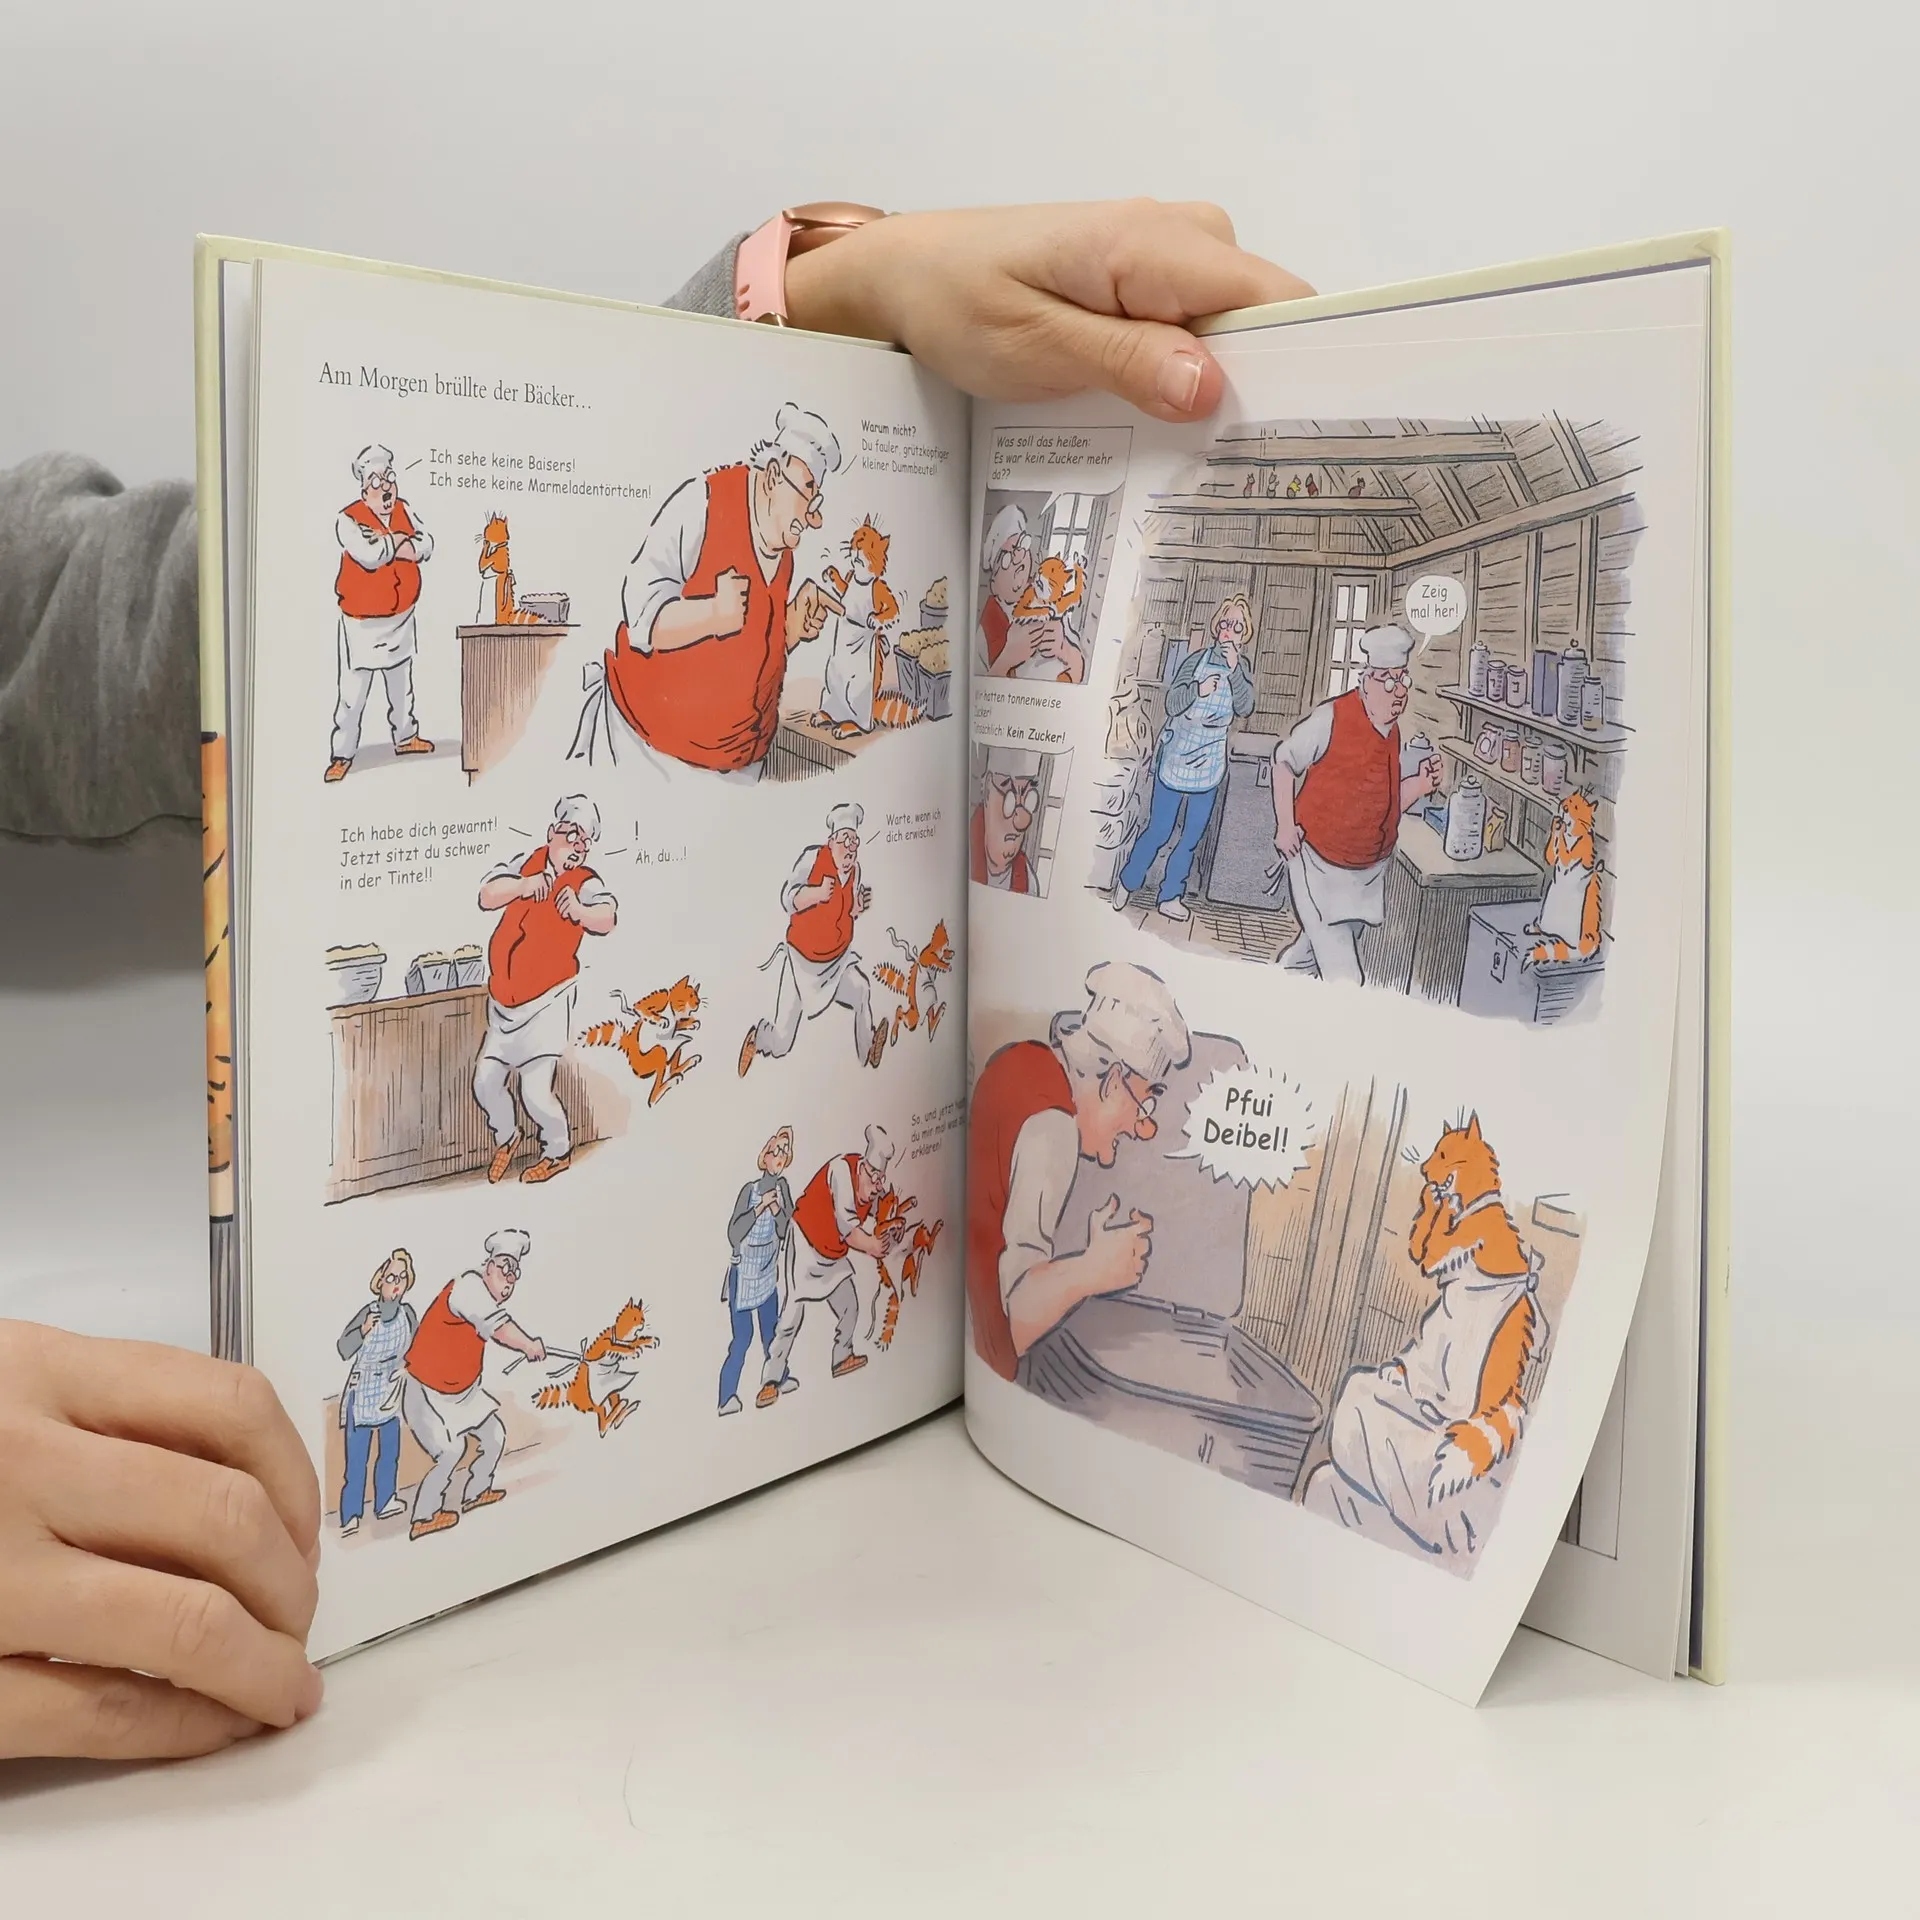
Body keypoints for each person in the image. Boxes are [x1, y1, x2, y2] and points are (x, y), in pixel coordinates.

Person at [1, 198, 1310, 1759]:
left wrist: (802, 303)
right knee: (601, 1131)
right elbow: (636, 634)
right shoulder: (696, 579)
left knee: (680, 1076)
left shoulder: (771, 627)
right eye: (1130, 1090)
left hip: (694, 915)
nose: (1132, 1114)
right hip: (646, 880)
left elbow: (80, 617)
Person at [570, 403, 844, 780]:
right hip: (651, 756)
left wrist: (789, 629)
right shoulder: (701, 503)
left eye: (817, 502)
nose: (815, 518)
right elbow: (641, 621)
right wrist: (712, 613)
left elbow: (746, 655)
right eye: (807, 494)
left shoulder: (784, 552)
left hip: (739, 765)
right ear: (773, 477)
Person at [966, 962, 1188, 1381]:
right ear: (1113, 1082)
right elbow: (1012, 1320)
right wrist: (1092, 1270)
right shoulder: (1054, 1127)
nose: (1142, 1128)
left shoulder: (1020, 1060)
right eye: (1144, 1104)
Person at [1269, 625, 1443, 985]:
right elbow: (1283, 761)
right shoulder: (1331, 717)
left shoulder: (1392, 732)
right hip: (1318, 864)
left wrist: (1419, 785)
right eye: (1388, 681)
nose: (1399, 691)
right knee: (1346, 978)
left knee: (1309, 954)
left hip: (1364, 875)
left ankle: (1276, 983)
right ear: (1366, 681)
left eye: (1403, 679)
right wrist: (1285, 826)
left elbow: (1384, 804)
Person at [472, 794, 619, 1185]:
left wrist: (581, 912)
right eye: (572, 835)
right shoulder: (527, 862)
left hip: (548, 1001)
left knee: (535, 1093)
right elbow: (487, 895)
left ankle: (557, 1152)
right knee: (485, 1083)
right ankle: (507, 1138)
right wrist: (524, 885)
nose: (578, 847)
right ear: (552, 832)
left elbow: (607, 917)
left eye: (585, 841)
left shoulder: (585, 882)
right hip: (504, 1003)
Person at [1114, 594, 1256, 921]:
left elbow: (1245, 706)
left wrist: (1234, 670)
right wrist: (1197, 690)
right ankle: (1128, 881)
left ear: (1244, 634)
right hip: (1178, 753)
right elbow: (1172, 703)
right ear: (1216, 627)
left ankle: (1170, 896)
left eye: (1238, 627)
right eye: (1225, 623)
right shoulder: (1194, 661)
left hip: (1210, 760)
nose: (1230, 631)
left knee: (1191, 836)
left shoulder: (1242, 668)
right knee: (1159, 829)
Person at [399, 1229, 547, 1542]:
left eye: (515, 1273)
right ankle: (424, 1516)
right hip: (426, 1392)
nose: (509, 1279)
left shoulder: (483, 1295)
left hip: (463, 1393)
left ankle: (476, 1492)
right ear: (488, 1266)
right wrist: (528, 1345)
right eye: (504, 1268)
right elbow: (500, 1328)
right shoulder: (468, 1287)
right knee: (451, 1451)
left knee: (494, 1436)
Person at [757, 1124, 905, 1407]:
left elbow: (881, 1213)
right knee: (791, 1316)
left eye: (881, 1181)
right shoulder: (841, 1171)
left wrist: (892, 1227)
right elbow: (848, 1229)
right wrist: (873, 1245)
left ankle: (842, 1358)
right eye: (875, 1179)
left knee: (850, 1306)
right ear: (864, 1168)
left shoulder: (872, 1186)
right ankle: (770, 1380)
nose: (877, 1186)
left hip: (832, 1253)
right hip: (805, 1242)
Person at [739, 800, 885, 1078]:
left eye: (854, 841)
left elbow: (846, 912)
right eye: (845, 840)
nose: (851, 848)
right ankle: (759, 1038)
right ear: (831, 842)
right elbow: (788, 899)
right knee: (782, 1041)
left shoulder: (855, 872)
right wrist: (815, 894)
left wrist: (857, 907)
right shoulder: (813, 858)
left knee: (862, 990)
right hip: (801, 961)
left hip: (836, 962)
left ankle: (868, 1050)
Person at [328, 443, 435, 783]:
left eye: (389, 479)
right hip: (362, 622)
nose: (386, 488)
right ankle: (342, 754)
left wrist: (395, 543)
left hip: (401, 615)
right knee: (353, 694)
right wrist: (400, 542)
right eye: (377, 482)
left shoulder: (405, 509)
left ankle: (405, 737)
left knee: (401, 685)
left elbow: (426, 544)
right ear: (364, 489)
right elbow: (369, 555)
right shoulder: (348, 519)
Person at [333, 1248, 418, 1536]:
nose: (395, 1283)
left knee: (389, 1453)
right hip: (362, 1394)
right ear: (380, 1280)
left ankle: (385, 1502)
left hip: (390, 1392)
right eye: (391, 1277)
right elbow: (343, 1348)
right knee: (357, 1461)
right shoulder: (368, 1313)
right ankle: (350, 1515)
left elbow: (418, 1348)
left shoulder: (407, 1314)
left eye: (401, 1278)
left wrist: (408, 1368)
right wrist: (363, 1331)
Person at [718, 1127, 796, 1415]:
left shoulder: (783, 1188)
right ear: (765, 1156)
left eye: (785, 1151)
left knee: (771, 1331)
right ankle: (726, 1397)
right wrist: (761, 1207)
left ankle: (780, 1377)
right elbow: (733, 1233)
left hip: (766, 1272)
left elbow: (788, 1229)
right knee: (743, 1337)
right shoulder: (750, 1191)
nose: (780, 1156)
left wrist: (776, 1209)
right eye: (776, 1150)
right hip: (743, 1274)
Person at [973, 504, 1084, 682]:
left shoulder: (1046, 594)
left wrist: (1063, 648)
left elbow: (1078, 669)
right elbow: (978, 690)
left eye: (1022, 545)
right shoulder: (983, 633)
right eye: (1007, 557)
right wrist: (1007, 658)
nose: (1018, 558)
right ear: (993, 583)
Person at [970, 746, 1042, 892]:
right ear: (988, 792)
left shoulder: (1029, 883)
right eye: (1010, 796)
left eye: (1029, 799)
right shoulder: (960, 854)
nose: (1020, 822)